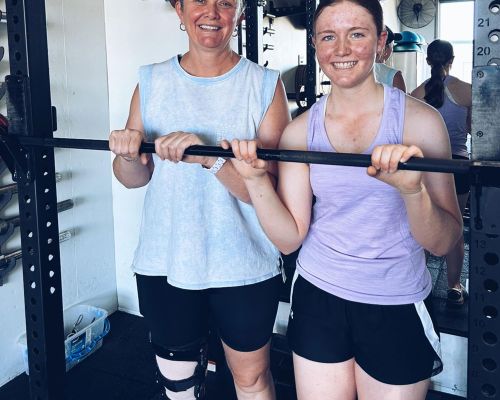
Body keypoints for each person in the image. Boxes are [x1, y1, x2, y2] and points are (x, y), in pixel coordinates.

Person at [223, 0, 463, 399]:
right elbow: (289, 239)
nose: (342, 49)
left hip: (395, 298)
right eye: (329, 37)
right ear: (316, 45)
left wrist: (411, 190)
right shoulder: (300, 133)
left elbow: (443, 241)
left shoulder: (421, 123)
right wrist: (254, 180)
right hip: (319, 294)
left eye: (357, 34)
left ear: (381, 42)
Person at [108, 0, 290, 397]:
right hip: (167, 259)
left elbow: (269, 195)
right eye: (200, 1)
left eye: (225, 3)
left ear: (239, 14)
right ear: (179, 10)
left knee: (252, 380)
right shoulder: (151, 81)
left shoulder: (263, 85)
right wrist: (126, 156)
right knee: (178, 383)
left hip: (243, 264)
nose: (212, 12)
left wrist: (211, 159)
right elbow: (132, 178)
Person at [411, 39, 471, 308]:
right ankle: (454, 286)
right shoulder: (466, 91)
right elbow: (476, 130)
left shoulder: (414, 95)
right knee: (454, 227)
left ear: (427, 61)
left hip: (426, 167)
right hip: (456, 166)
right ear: (452, 60)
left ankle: (417, 280)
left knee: (421, 225)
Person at [374, 25, 407, 92]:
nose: (392, 51)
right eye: (391, 47)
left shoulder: (357, 69)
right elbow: (401, 101)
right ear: (384, 49)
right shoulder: (394, 76)